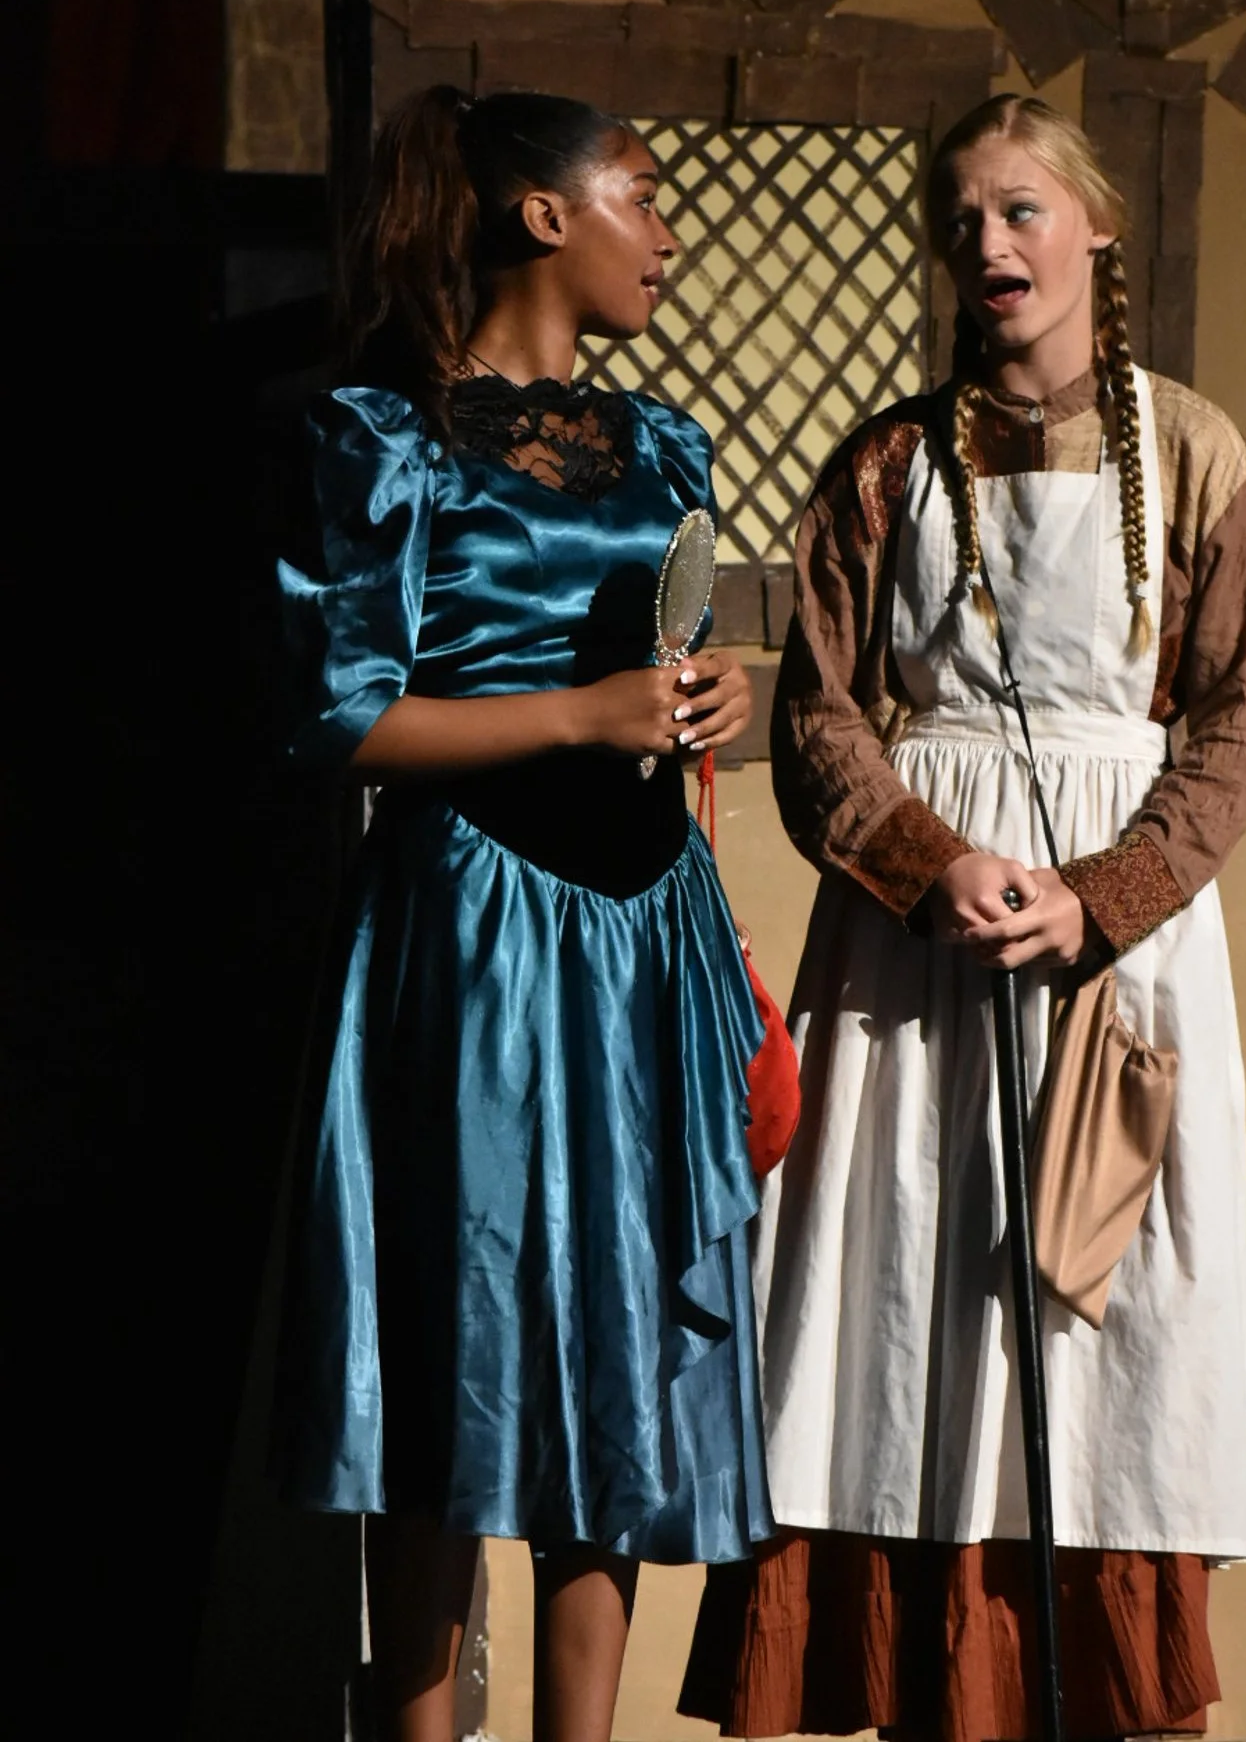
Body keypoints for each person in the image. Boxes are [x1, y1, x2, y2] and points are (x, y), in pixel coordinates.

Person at [682, 92, 1246, 1742]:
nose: (988, 241)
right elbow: (821, 714)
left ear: (1097, 228)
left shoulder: (1199, 450)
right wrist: (933, 863)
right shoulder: (885, 464)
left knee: (1107, 1337)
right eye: (961, 217)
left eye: (1021, 209)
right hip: (917, 961)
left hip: (1115, 962)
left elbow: (1241, 724)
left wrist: (1098, 898)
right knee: (905, 1311)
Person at [274, 87, 773, 1742]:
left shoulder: (665, 442)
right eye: (644, 191)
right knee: (454, 1342)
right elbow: (342, 714)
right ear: (544, 216)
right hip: (476, 936)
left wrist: (713, 696)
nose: (669, 231)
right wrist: (581, 713)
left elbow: (665, 666)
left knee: (613, 1356)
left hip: (640, 934)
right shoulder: (387, 434)